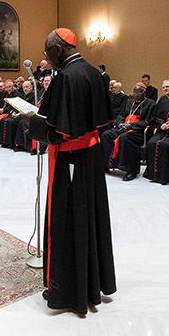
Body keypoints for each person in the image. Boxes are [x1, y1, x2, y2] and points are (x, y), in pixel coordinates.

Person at [23, 28, 115, 315]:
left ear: (59, 49)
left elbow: (56, 131)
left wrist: (30, 121)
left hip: (70, 160)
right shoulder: (93, 73)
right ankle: (92, 283)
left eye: (47, 51)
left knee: (69, 220)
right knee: (90, 216)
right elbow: (100, 122)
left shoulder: (66, 77)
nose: (46, 57)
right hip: (90, 156)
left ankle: (69, 291)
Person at [102, 82, 155, 179]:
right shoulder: (129, 101)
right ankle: (106, 164)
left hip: (138, 131)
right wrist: (120, 124)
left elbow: (149, 121)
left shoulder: (150, 103)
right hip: (124, 128)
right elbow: (120, 115)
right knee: (106, 135)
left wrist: (131, 126)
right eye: (134, 92)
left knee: (125, 138)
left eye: (139, 92)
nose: (136, 94)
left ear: (144, 93)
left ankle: (131, 170)